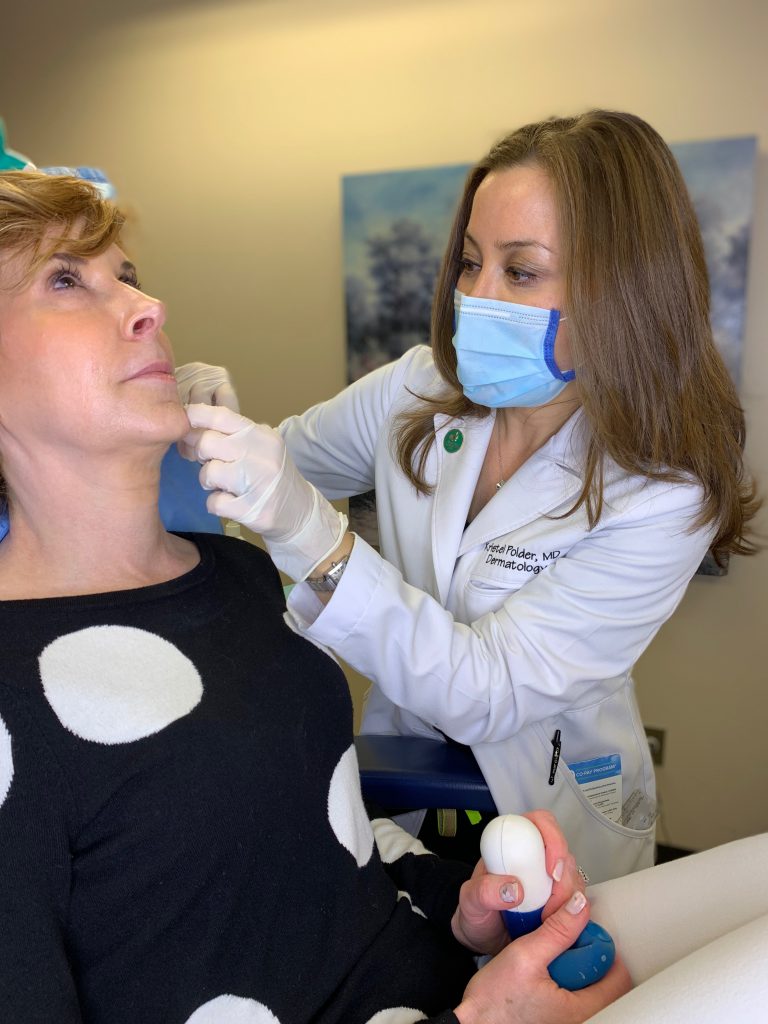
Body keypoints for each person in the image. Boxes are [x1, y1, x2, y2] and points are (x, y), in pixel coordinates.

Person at [0, 169, 633, 1023]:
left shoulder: (236, 576)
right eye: (67, 279)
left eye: (129, 274)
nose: (146, 307)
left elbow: (319, 837)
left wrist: (461, 908)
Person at [179, 109, 761, 885]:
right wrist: (196, 421)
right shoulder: (419, 387)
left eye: (521, 271)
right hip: (402, 783)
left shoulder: (662, 493)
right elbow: (286, 464)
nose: (475, 298)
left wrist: (310, 536)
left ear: (622, 288)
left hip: (555, 804)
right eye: (470, 262)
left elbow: (484, 690)